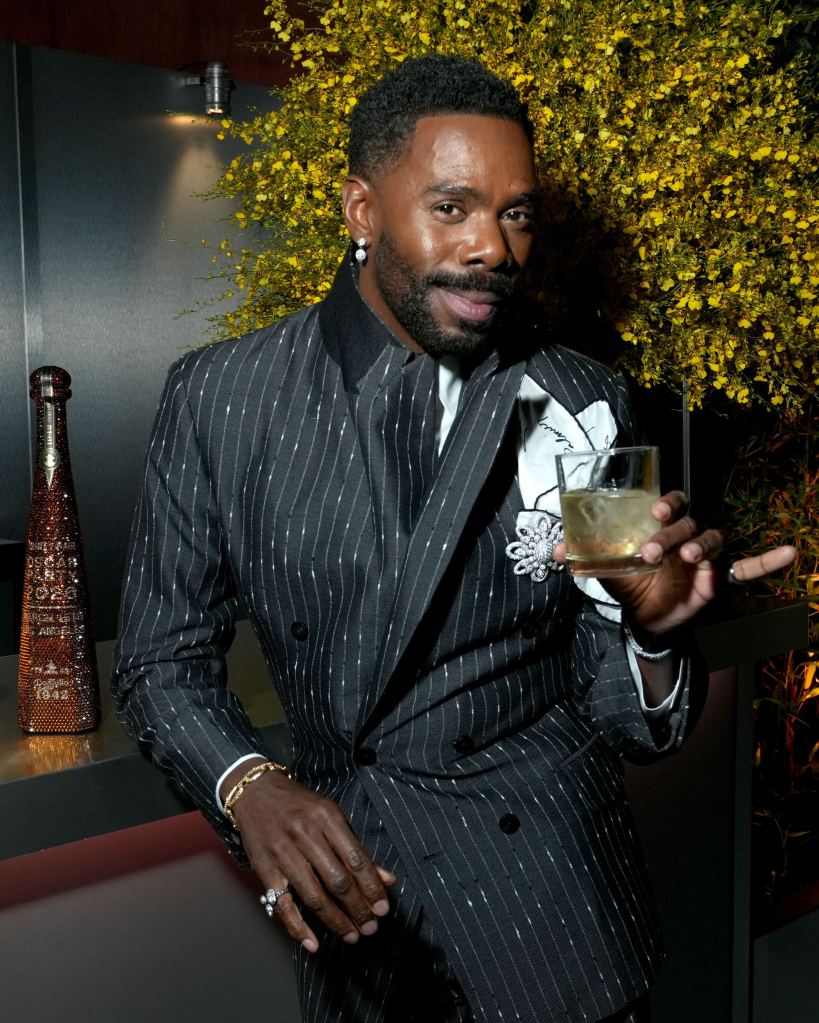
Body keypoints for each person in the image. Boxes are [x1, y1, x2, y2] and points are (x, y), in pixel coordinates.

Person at [112, 55, 795, 1023]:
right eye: (453, 208)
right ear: (361, 210)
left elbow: (635, 722)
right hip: (360, 924)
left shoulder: (581, 401)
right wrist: (249, 785)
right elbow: (158, 662)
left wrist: (647, 633)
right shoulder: (221, 401)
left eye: (516, 214)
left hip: (556, 932)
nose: (494, 249)